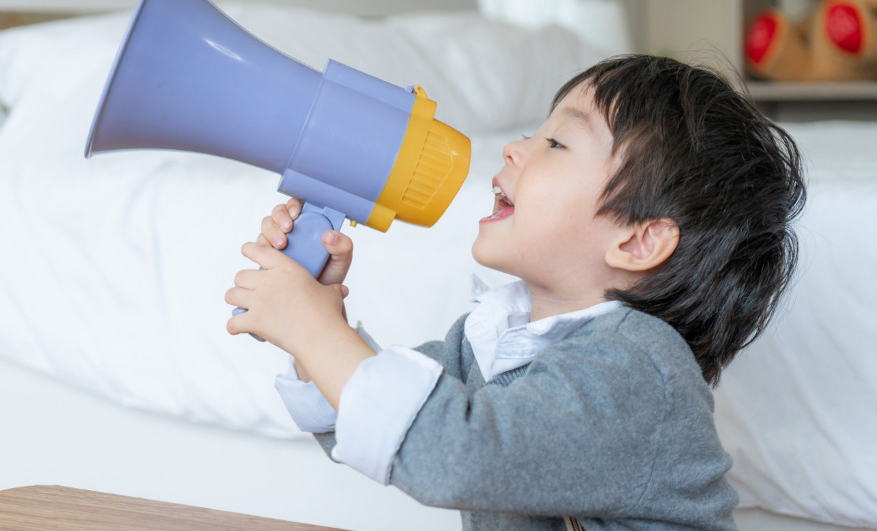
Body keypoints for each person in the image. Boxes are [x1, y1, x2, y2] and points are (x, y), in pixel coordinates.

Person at [225, 54, 807, 530]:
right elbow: (379, 423)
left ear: (636, 242)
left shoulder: (641, 369)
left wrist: (313, 328)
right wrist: (320, 319)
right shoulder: (493, 337)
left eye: (557, 144)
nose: (514, 148)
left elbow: (451, 455)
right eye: (534, 132)